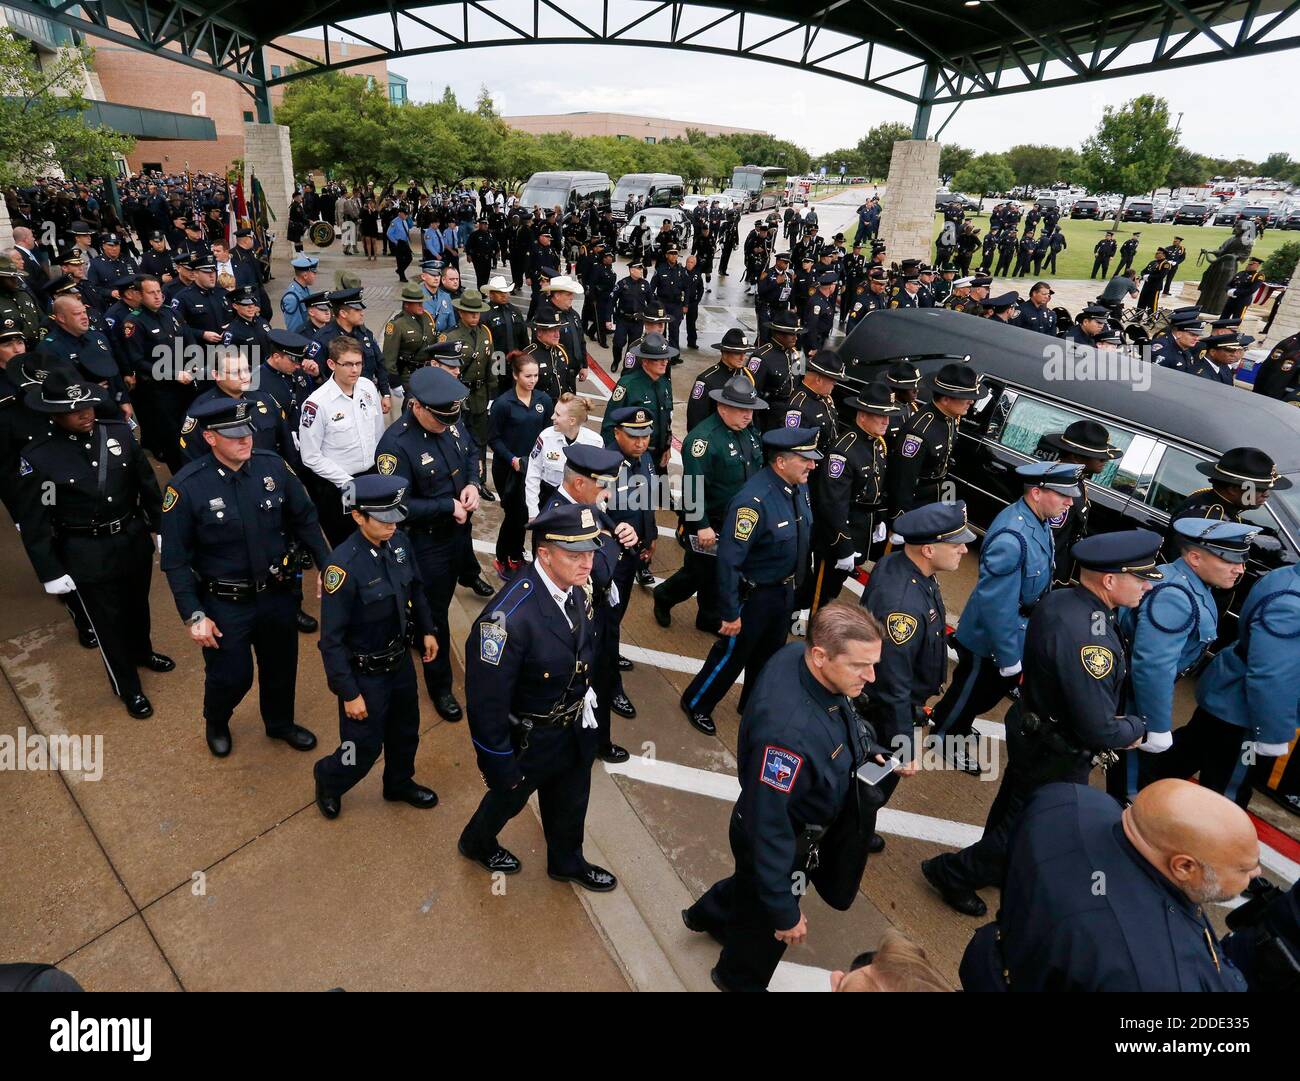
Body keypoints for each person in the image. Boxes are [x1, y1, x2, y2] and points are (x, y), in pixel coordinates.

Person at [921, 530, 1160, 917]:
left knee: (1013, 808)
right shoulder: (1091, 639)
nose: (1147, 586)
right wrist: (1136, 728)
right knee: (1029, 824)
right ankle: (953, 873)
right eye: (1140, 577)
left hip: (1034, 729)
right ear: (1110, 581)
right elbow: (1099, 728)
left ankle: (993, 866)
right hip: (1057, 747)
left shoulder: (1063, 600)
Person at [683, 605, 893, 992]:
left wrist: (867, 746)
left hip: (774, 830)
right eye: (860, 665)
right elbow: (770, 826)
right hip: (784, 840)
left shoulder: (799, 657)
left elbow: (838, 714)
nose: (871, 676)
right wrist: (783, 910)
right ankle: (735, 978)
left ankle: (709, 913)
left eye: (873, 663)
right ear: (820, 656)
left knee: (749, 886)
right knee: (763, 933)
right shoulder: (787, 736)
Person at [959, 780, 1255, 991]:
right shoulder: (1150, 974)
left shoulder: (1064, 799)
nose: (1256, 874)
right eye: (1245, 868)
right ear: (1184, 866)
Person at [458, 502, 618, 892]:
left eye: (591, 551)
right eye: (575, 554)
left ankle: (567, 861)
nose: (587, 563)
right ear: (544, 554)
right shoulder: (506, 620)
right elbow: (486, 706)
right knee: (508, 799)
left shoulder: (575, 586)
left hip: (574, 724)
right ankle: (476, 841)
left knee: (571, 800)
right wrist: (499, 766)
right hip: (531, 738)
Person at [160, 396, 330, 758]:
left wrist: (327, 567)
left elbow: (305, 519)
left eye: (247, 432)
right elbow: (174, 561)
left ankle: (280, 722)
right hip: (225, 604)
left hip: (277, 594)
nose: (245, 440)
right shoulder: (186, 487)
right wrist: (193, 614)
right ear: (210, 438)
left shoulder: (273, 467)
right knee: (231, 676)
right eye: (233, 435)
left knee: (281, 667)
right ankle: (217, 719)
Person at [14, 375, 170, 718]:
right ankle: (127, 686)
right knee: (107, 621)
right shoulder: (41, 457)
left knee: (137, 605)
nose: (85, 414)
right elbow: (37, 517)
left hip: (130, 536)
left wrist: (159, 528)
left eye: (87, 405)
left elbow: (146, 484)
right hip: (86, 549)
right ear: (54, 414)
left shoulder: (116, 432)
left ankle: (142, 651)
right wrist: (51, 570)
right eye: (74, 410)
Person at [927, 463, 1083, 769]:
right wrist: (1009, 655)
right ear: (1037, 493)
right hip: (992, 636)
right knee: (971, 692)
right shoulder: (1014, 535)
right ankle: (945, 737)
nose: (1069, 502)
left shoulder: (1036, 521)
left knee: (982, 694)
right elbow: (997, 603)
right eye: (1063, 495)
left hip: (1014, 628)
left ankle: (953, 722)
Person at [313, 475, 440, 819]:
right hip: (364, 675)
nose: (393, 525)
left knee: (405, 731)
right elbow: (331, 641)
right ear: (358, 517)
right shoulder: (342, 568)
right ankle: (329, 777)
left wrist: (427, 630)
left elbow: (414, 588)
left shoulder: (399, 544)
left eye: (396, 516)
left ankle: (398, 782)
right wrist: (349, 693)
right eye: (383, 519)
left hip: (398, 664)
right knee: (361, 749)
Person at [679, 427, 818, 736]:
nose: (812, 465)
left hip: (782, 591)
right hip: (753, 595)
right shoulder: (753, 502)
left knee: (769, 657)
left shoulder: (798, 487)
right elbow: (729, 560)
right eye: (805, 460)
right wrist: (729, 612)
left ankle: (752, 704)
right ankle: (697, 702)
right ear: (781, 462)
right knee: (731, 655)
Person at [1110, 518, 1257, 804]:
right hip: (1133, 701)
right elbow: (1153, 667)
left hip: (1134, 696)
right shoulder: (1176, 595)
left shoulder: (1191, 584)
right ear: (1194, 557)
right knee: (1131, 794)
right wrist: (1156, 725)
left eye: (1242, 560)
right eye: (1229, 560)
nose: (1240, 569)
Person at [375, 366, 483, 722]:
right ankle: (440, 686)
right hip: (426, 545)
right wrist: (445, 505)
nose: (446, 424)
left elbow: (469, 451)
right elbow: (395, 505)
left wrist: (471, 484)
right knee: (433, 617)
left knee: (437, 606)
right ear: (417, 406)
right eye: (438, 418)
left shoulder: (448, 418)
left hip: (458, 537)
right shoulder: (395, 444)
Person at [1152, 558, 1300, 809]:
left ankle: (1137, 794)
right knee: (1227, 796)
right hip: (1247, 717)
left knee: (1185, 754)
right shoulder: (1293, 604)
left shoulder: (1288, 577)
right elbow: (1271, 676)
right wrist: (1272, 734)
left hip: (1229, 698)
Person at [859, 501, 973, 792]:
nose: (964, 550)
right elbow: (891, 683)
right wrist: (903, 744)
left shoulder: (905, 566)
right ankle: (852, 834)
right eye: (956, 544)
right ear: (928, 550)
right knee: (871, 789)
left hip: (892, 706)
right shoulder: (903, 607)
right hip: (883, 715)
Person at [656, 374, 766, 635]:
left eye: (750, 410)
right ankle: (665, 595)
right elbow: (694, 489)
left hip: (736, 521)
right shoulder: (702, 441)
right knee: (698, 572)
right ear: (722, 407)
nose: (748, 415)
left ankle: (708, 616)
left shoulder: (748, 433)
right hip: (709, 522)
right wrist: (702, 525)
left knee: (722, 572)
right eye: (741, 409)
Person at [809, 384, 901, 612]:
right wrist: (842, 546)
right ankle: (806, 625)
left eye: (888, 416)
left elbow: (877, 483)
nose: (886, 422)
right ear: (862, 415)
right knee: (819, 590)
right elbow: (832, 504)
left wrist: (879, 517)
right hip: (836, 533)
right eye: (881, 416)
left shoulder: (877, 443)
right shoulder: (844, 451)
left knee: (834, 588)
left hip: (860, 525)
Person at [298, 337, 386, 547]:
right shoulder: (317, 404)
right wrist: (346, 482)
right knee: (348, 541)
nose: (354, 370)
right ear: (331, 364)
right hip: (340, 483)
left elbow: (378, 430)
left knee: (376, 534)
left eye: (358, 363)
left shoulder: (366, 387)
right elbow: (310, 456)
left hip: (371, 476)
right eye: (347, 364)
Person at [885, 362, 980, 520]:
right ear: (945, 399)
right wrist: (900, 519)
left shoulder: (950, 418)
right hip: (918, 499)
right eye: (966, 397)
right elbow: (903, 482)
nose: (971, 402)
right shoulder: (919, 432)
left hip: (942, 490)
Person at [489, 352, 554, 577]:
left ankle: (516, 554)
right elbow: (493, 439)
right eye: (528, 376)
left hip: (533, 469)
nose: (533, 380)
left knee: (526, 514)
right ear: (516, 375)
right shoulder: (503, 404)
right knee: (513, 515)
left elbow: (548, 434)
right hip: (509, 469)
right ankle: (503, 557)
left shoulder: (543, 401)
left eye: (536, 375)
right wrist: (512, 459)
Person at [1038, 420, 1122, 585]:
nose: (1104, 460)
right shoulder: (1058, 487)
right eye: (1098, 456)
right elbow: (1047, 539)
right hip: (1044, 571)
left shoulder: (1075, 480)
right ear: (1075, 457)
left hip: (1060, 565)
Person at [1164, 446, 1286, 558]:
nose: (1266, 494)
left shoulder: (1212, 498)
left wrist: (1270, 533)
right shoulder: (1208, 521)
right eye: (1260, 489)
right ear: (1233, 489)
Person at [603, 332, 674, 474]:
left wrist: (667, 447)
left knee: (661, 494)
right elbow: (609, 426)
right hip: (634, 457)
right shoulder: (628, 385)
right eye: (658, 359)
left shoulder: (665, 383)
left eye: (665, 358)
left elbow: (667, 419)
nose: (664, 362)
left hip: (658, 456)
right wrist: (615, 458)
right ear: (645, 361)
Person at [524, 392, 601, 518]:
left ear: (572, 421)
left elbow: (599, 481)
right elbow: (533, 474)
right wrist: (533, 512)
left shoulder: (595, 442)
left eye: (558, 415)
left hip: (578, 504)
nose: (552, 417)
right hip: (548, 499)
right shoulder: (546, 437)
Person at [686, 328, 755, 432]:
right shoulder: (707, 380)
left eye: (744, 353)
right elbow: (695, 420)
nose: (742, 357)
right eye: (737, 353)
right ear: (724, 353)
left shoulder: (748, 376)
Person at [381, 282, 437, 401]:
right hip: (409, 376)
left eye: (422, 302)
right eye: (417, 303)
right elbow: (389, 358)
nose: (421, 305)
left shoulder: (427, 318)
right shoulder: (397, 325)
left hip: (427, 373)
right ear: (406, 304)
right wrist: (394, 382)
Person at [610, 261, 652, 372]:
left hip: (638, 321)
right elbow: (612, 300)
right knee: (618, 343)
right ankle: (616, 360)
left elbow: (651, 301)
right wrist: (608, 318)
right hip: (623, 319)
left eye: (641, 269)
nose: (641, 271)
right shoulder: (622, 283)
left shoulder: (645, 284)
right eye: (638, 269)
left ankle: (627, 367)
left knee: (633, 347)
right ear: (632, 270)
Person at [386, 207, 414, 281]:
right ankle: (402, 276)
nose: (406, 216)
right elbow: (389, 233)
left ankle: (400, 270)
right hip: (399, 243)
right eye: (405, 215)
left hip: (405, 242)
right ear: (401, 214)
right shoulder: (394, 222)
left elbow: (409, 227)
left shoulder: (404, 220)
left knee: (409, 258)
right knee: (400, 260)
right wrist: (396, 242)